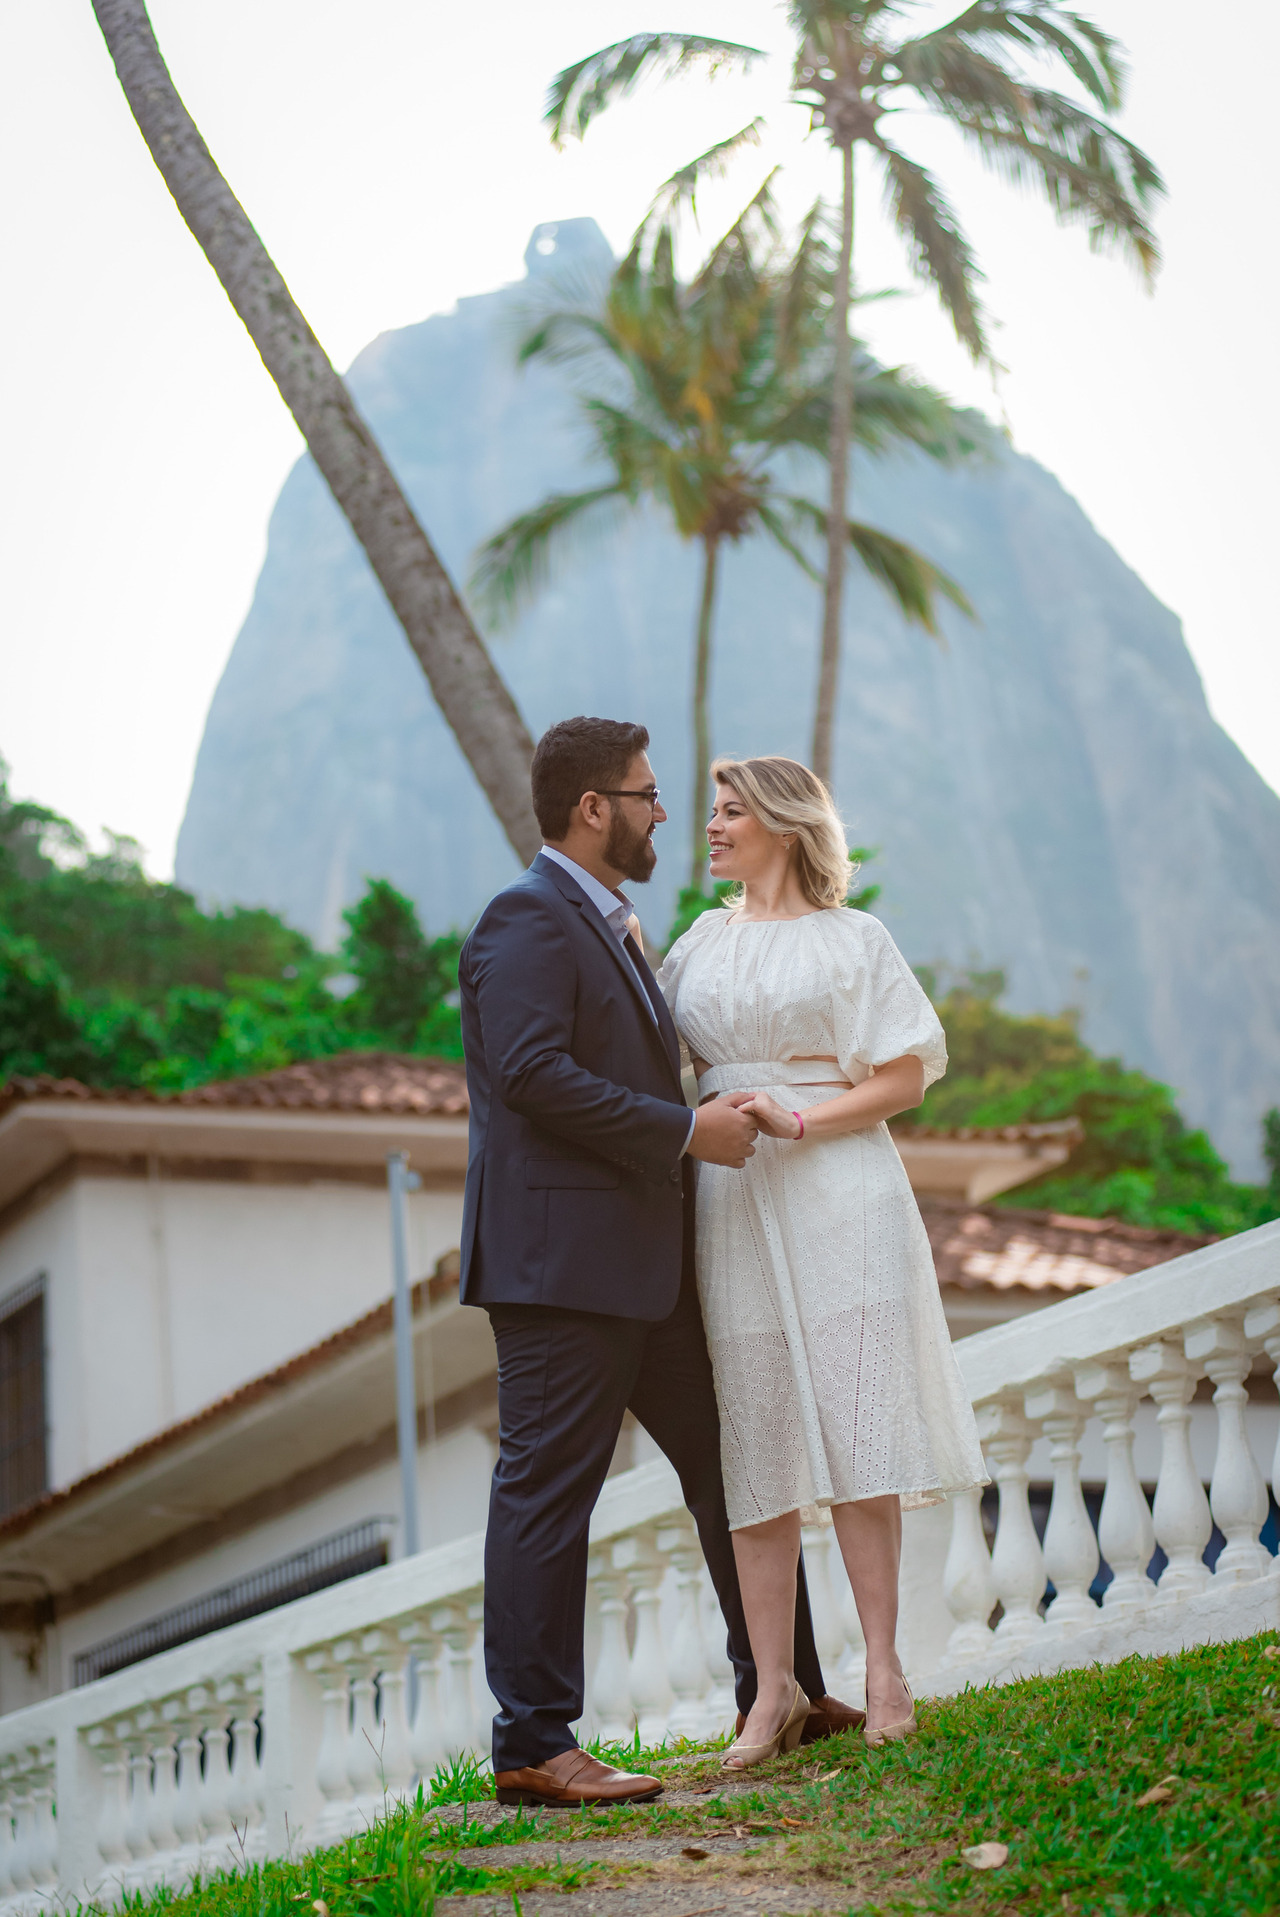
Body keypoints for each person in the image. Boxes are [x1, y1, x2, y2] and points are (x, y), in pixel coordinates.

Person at [458, 717, 862, 1810]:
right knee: (547, 1495)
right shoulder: (528, 918)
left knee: (737, 1470)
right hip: (560, 1273)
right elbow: (533, 1074)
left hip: (645, 1269)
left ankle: (781, 1692)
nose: (662, 813)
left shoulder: (616, 927)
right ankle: (534, 1742)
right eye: (643, 795)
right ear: (592, 809)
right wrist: (688, 1132)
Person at [657, 754, 988, 1769]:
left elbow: (899, 1077)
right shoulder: (694, 945)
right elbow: (655, 1058)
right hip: (730, 1197)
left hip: (840, 1189)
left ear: (786, 826)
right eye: (711, 811)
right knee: (753, 1432)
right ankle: (773, 1691)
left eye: (730, 812)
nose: (710, 827)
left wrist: (798, 1120)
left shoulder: (856, 940)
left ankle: (883, 1668)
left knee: (856, 1423)